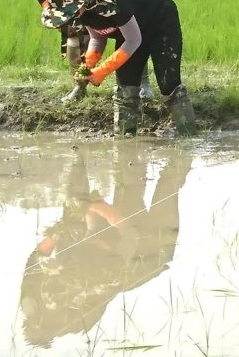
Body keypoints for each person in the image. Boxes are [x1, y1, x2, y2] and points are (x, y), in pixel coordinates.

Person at [19, 145, 191, 348]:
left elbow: (36, 257)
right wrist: (101, 208)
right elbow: (130, 235)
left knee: (77, 207)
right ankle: (180, 151)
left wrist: (61, 229)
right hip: (144, 250)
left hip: (94, 247)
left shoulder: (36, 296)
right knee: (163, 186)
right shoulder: (103, 281)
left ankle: (85, 150)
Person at [40, 0, 197, 136]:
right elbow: (97, 38)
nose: (68, 16)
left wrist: (102, 71)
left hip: (159, 21)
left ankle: (188, 137)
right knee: (125, 86)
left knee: (168, 84)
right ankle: (125, 139)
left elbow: (134, 40)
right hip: (130, 31)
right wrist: (88, 65)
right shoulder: (81, 11)